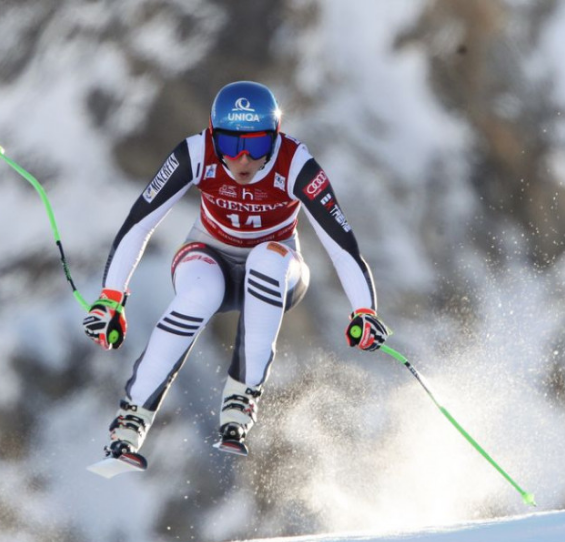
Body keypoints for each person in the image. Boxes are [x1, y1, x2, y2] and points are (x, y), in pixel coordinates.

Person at [82, 81, 389, 463]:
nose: (243, 159)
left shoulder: (295, 163)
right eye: (230, 144)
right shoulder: (196, 153)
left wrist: (365, 310)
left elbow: (341, 245)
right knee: (199, 295)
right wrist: (111, 299)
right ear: (213, 136)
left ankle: (241, 398)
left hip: (277, 268)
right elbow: (139, 223)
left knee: (265, 258)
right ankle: (131, 418)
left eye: (257, 145)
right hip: (210, 255)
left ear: (275, 139)